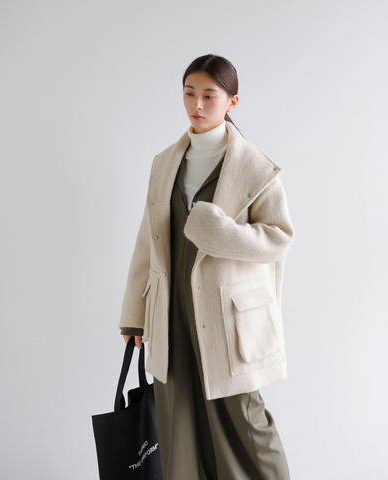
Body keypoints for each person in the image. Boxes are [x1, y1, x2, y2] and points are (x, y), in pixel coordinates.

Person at [119, 54, 295, 480]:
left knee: (245, 422)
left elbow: (278, 238)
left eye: (209, 96)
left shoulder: (255, 167)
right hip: (171, 311)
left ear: (232, 101)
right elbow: (147, 242)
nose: (197, 105)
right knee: (179, 423)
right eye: (189, 93)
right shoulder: (165, 162)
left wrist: (219, 233)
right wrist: (134, 315)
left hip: (227, 315)